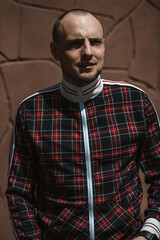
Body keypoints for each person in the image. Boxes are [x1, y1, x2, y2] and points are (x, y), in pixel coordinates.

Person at [6, 9, 160, 240]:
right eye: (76, 43)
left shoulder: (135, 102)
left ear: (104, 46)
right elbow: (19, 194)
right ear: (55, 51)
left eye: (95, 42)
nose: (88, 52)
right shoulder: (32, 111)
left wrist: (149, 233)